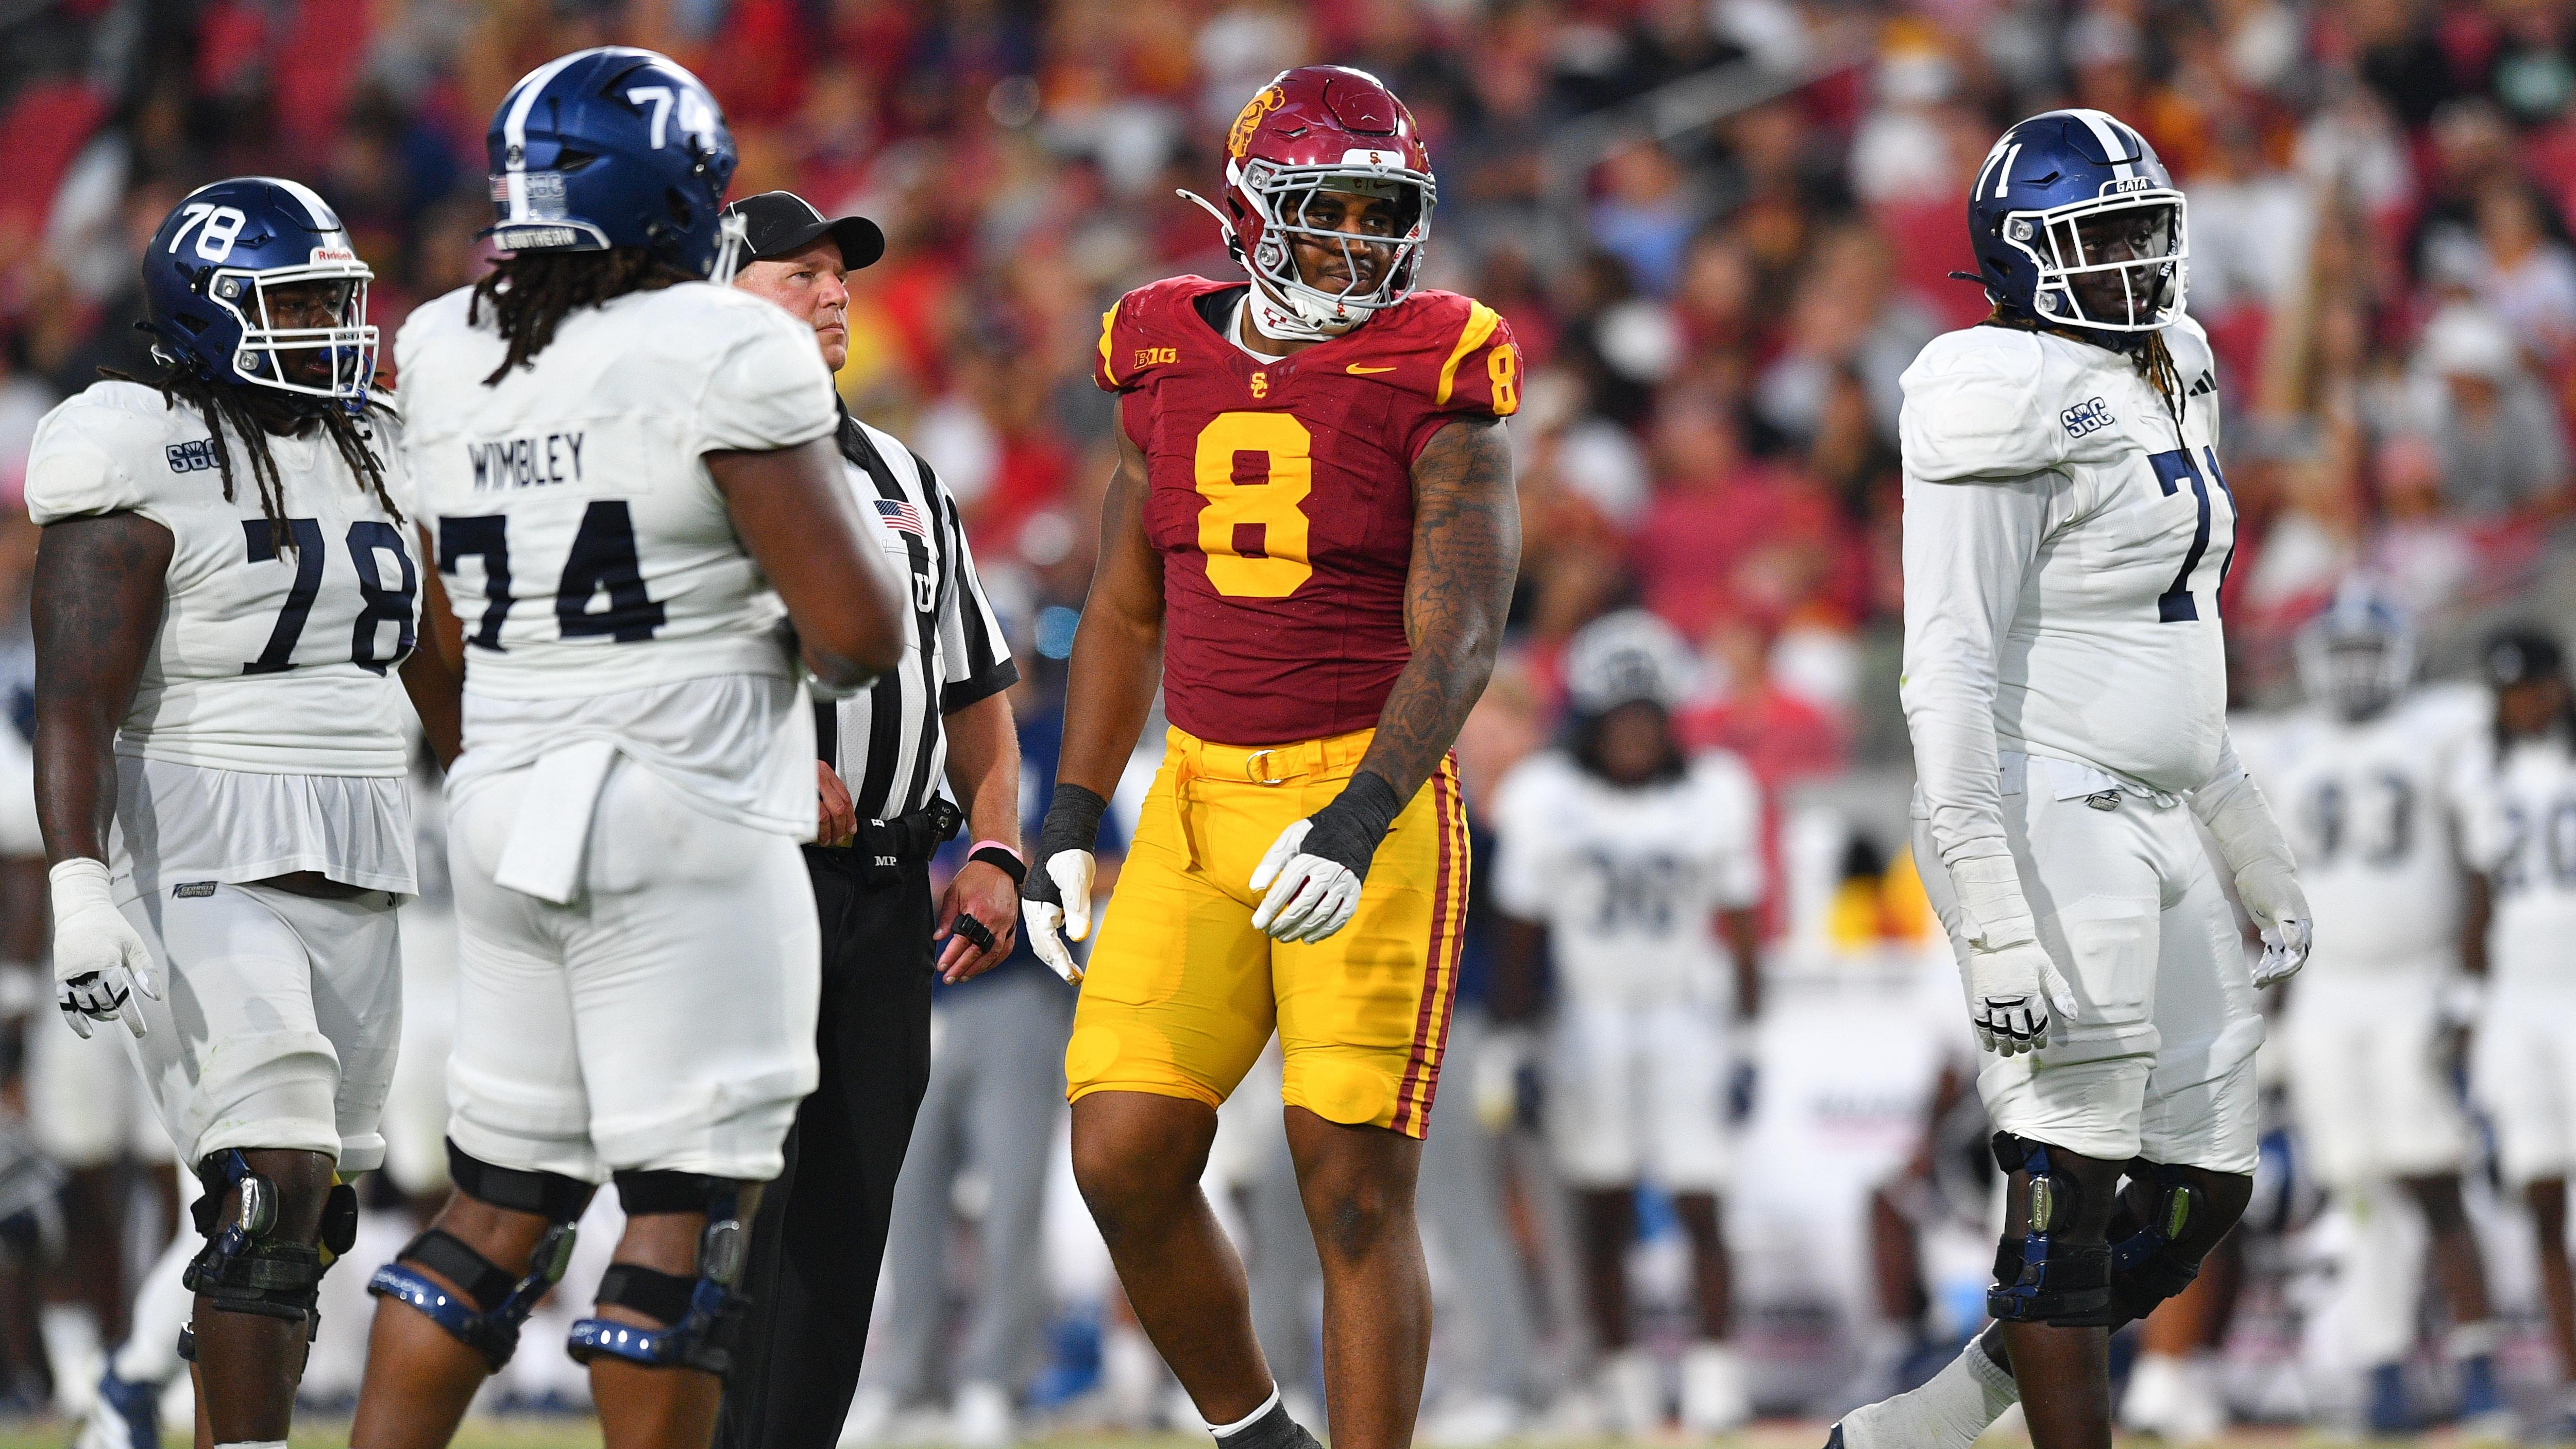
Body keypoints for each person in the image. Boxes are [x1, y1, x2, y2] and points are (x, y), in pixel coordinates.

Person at [344, 47, 907, 1449]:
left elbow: (426, 610)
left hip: (504, 802)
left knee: (496, 1208)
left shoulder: (439, 345)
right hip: (687, 810)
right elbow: (860, 631)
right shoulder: (722, 346)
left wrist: (502, 735)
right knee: (688, 1215)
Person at [1020, 64, 1520, 1449]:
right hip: (1194, 796)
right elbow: (1126, 602)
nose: (1362, 241)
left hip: (1370, 792)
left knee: (1351, 1181)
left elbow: (1465, 631)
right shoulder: (1163, 344)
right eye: (1331, 208)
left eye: (1383, 210)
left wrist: (1360, 819)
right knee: (1122, 1151)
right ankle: (1256, 1432)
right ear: (1250, 211)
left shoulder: (1441, 359)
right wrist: (1072, 803)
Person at [1831, 108, 2312, 1449]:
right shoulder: (1988, 381)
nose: (2130, 266)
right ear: (2017, 256)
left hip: (2160, 800)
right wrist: (1986, 904)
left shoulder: (2178, 357)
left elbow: (2175, 637)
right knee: (2071, 1174)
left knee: (2203, 1186)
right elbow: (1952, 664)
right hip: (2048, 804)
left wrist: (2242, 826)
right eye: (2095, 241)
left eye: (2143, 234)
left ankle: (1928, 1423)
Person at [25, 174, 460, 1449]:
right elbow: (75, 699)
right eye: (295, 301)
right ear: (205, 312)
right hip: (202, 845)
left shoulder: (379, 437)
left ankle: (176, 1411)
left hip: (365, 845)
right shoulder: (130, 442)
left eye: (337, 296)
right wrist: (79, 886)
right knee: (268, 1190)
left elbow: (442, 668)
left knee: (306, 1210)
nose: (329, 324)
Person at [707, 189, 1024, 1449]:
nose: (834, 294)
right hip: (737, 887)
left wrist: (992, 842)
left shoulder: (902, 474)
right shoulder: (670, 460)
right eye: (798, 273)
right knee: (726, 1214)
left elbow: (978, 692)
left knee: (844, 1229)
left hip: (890, 895)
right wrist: (763, 755)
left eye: (839, 273)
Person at [2232, 581, 2510, 1435]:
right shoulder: (2287, 746)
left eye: (2368, 655)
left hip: (2415, 980)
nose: (2354, 675)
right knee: (2354, 1186)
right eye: (2339, 656)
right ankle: (2384, 1366)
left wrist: (2465, 990)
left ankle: (2478, 1363)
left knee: (2430, 1176)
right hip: (2328, 988)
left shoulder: (2441, 731)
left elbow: (2478, 860)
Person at [1487, 610, 1763, 1436]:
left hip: (1684, 1006)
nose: (1637, 735)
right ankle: (1621, 1374)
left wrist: (1750, 1036)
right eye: (1621, 719)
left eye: (1650, 718)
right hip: (1586, 1014)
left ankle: (1716, 1372)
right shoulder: (1547, 795)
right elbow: (1520, 933)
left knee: (1701, 1194)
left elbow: (1743, 924)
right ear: (1591, 721)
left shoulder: (1716, 789)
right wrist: (1513, 1039)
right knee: (1599, 1201)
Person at [2460, 627, 2576, 1440]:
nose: (2523, 704)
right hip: (2517, 1001)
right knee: (2539, 1193)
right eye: (2509, 692)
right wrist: (2470, 1001)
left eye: (2532, 687)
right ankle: (2571, 1379)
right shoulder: (2480, 773)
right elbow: (2479, 895)